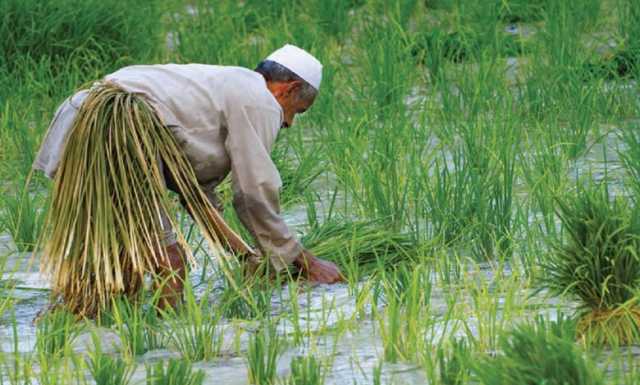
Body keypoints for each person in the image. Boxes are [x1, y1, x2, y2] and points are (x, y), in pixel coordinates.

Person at [33, 44, 343, 315]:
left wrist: (245, 256)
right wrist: (305, 261)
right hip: (119, 124)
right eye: (297, 111)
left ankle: (81, 326)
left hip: (79, 114)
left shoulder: (217, 86)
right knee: (171, 262)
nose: (287, 122)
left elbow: (196, 196)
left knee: (114, 258)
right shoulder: (259, 99)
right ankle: (164, 350)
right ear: (287, 89)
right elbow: (254, 192)